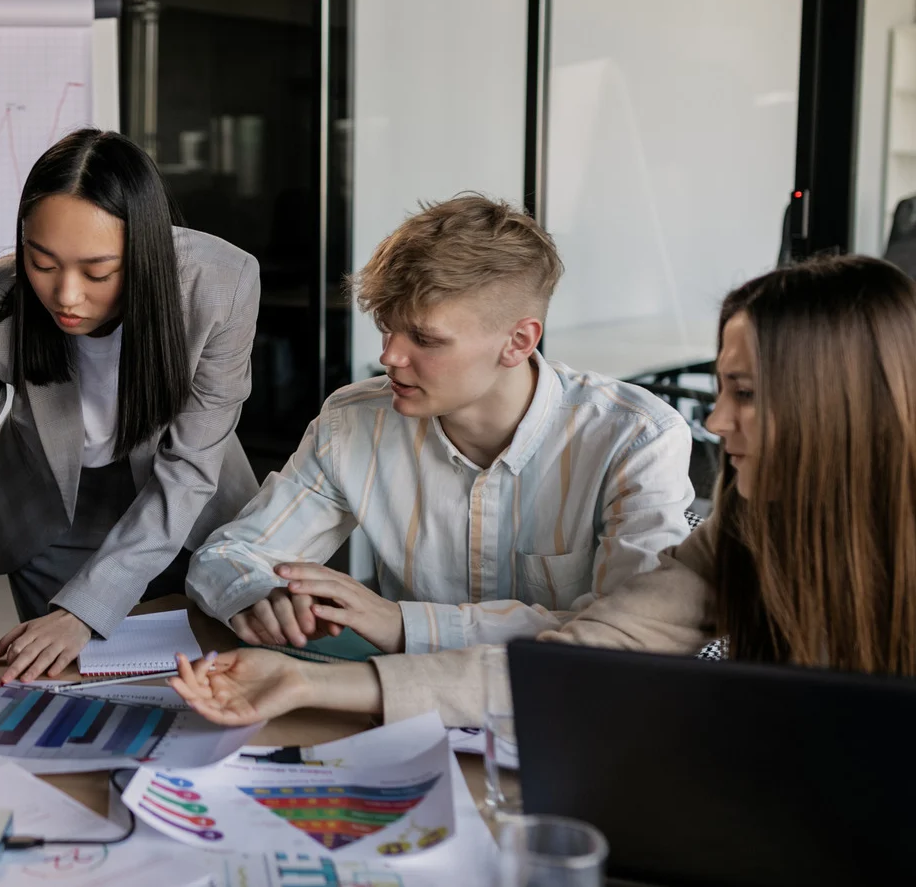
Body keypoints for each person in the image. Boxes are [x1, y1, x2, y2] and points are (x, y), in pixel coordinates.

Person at [169, 254, 916, 728]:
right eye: (723, 389)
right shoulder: (743, 530)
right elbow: (583, 660)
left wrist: (401, 623)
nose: (718, 421)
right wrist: (303, 681)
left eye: (746, 393)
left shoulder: (635, 435)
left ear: (837, 402)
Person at [187, 194, 695, 654]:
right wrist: (259, 593)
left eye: (424, 339)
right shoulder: (353, 423)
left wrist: (404, 624)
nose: (389, 356)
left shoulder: (636, 439)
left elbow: (629, 637)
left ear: (519, 341)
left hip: (571, 718)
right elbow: (229, 553)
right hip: (400, 712)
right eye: (386, 329)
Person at [0, 128, 261, 684]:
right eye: (42, 263)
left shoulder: (220, 285)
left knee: (192, 686)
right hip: (49, 513)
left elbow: (186, 473)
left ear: (144, 254)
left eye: (98, 272)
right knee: (64, 687)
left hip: (185, 510)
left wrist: (87, 608)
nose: (66, 295)